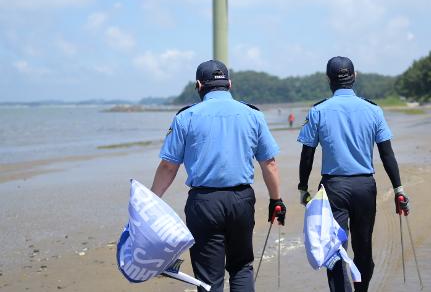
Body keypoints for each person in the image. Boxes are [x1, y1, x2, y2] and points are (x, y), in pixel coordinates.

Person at [151, 59, 287, 292]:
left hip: (203, 204)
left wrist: (151, 201)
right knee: (241, 267)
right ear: (229, 84)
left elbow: (168, 167)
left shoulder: (186, 117)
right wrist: (276, 200)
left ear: (198, 85)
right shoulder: (252, 115)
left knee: (208, 278)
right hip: (241, 200)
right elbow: (269, 163)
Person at [297, 56, 410, 292]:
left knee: (335, 249)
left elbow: (307, 154)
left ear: (328, 79)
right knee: (363, 248)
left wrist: (302, 188)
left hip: (333, 188)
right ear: (354, 76)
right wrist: (399, 190)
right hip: (365, 187)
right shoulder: (373, 110)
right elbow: (387, 154)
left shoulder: (318, 111)